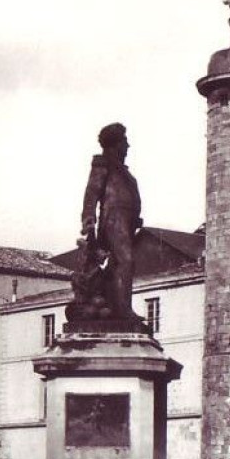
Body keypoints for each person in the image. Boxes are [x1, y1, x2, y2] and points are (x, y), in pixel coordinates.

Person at [80, 123, 144, 327]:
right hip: (113, 220)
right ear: (115, 144)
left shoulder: (122, 171)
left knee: (119, 264)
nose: (128, 146)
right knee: (126, 261)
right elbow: (92, 192)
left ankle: (116, 305)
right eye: (125, 142)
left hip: (126, 222)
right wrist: (88, 217)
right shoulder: (103, 165)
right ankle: (123, 309)